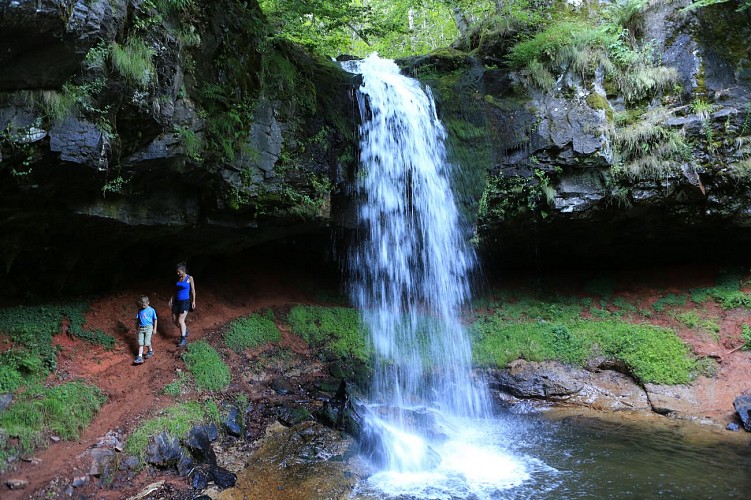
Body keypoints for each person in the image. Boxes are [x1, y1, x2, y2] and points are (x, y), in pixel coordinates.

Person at [168, 261, 195, 347]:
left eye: (179, 271)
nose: (177, 273)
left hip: (185, 301)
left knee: (180, 320)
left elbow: (193, 290)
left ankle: (183, 339)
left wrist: (194, 300)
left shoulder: (189, 278)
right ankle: (185, 330)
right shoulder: (179, 279)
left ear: (183, 270)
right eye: (177, 271)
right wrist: (171, 298)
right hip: (177, 301)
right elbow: (176, 290)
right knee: (174, 320)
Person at [134, 295, 157, 364]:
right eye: (142, 305)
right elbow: (138, 320)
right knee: (140, 342)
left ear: (148, 303)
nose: (143, 306)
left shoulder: (151, 310)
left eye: (144, 305)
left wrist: (154, 328)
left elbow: (155, 319)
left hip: (149, 327)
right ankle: (140, 357)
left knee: (147, 342)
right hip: (141, 328)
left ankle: (150, 351)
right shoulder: (139, 310)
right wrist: (136, 328)